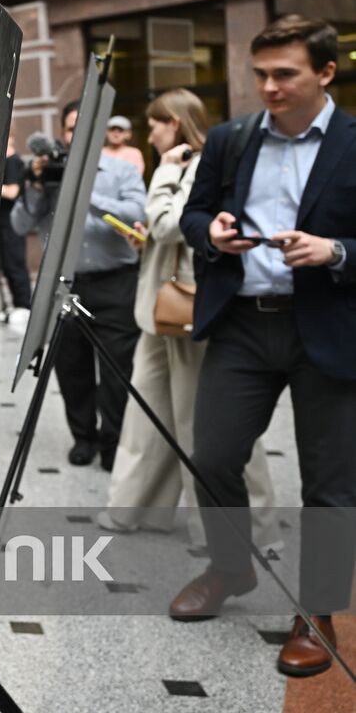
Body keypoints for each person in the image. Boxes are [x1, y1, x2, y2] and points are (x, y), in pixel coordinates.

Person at [169, 15, 356, 678]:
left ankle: (318, 611)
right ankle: (230, 567)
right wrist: (211, 233)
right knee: (213, 455)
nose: (269, 88)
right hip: (243, 322)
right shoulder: (231, 139)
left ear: (326, 73)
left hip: (328, 326)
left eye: (286, 74)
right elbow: (195, 214)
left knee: (330, 485)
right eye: (261, 75)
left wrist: (335, 251)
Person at [96, 89, 279, 549]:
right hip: (162, 306)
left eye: (155, 123)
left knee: (204, 420)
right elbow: (166, 231)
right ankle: (135, 508)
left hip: (189, 308)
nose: (149, 131)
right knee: (149, 411)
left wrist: (165, 177)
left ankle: (244, 528)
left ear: (174, 124)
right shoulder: (183, 165)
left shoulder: (192, 166)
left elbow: (167, 221)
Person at [12, 100, 146, 470]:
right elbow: (21, 225)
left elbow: (137, 212)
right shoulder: (47, 172)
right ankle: (83, 438)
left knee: (119, 371)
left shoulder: (122, 170)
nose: (77, 135)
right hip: (64, 286)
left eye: (85, 127)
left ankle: (113, 442)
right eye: (70, 129)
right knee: (72, 369)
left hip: (115, 282)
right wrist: (38, 185)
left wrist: (84, 192)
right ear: (63, 133)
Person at [0, 132, 32, 331]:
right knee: (8, 263)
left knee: (15, 262)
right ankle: (16, 305)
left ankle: (24, 305)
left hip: (13, 221)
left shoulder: (14, 162)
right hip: (3, 221)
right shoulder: (5, 160)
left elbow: (12, 191)